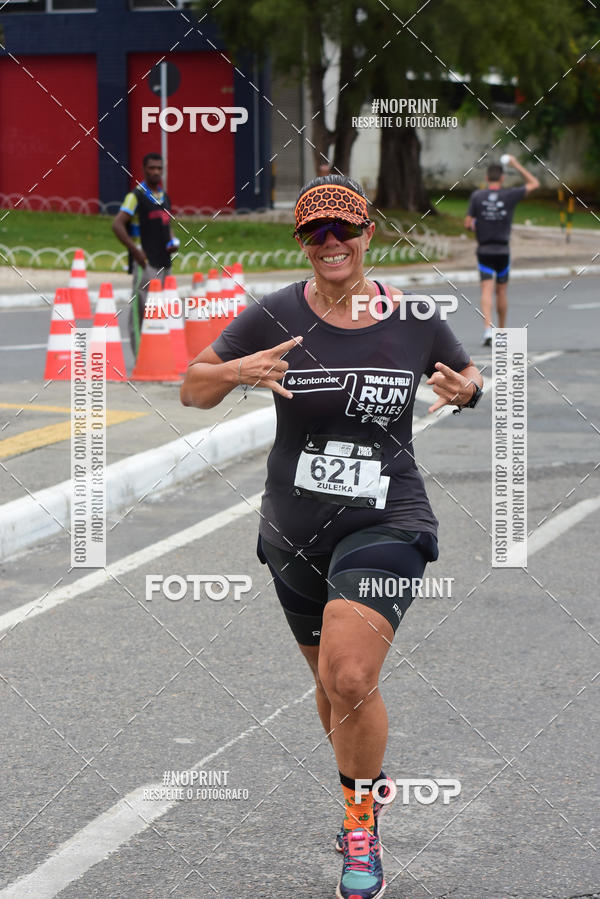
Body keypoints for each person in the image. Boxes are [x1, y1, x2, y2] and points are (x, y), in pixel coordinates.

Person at [181, 174, 483, 898]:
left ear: (368, 234)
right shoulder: (275, 313)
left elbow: (467, 374)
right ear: (303, 244)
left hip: (389, 520)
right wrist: (235, 372)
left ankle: (359, 825)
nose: (331, 243)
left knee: (351, 672)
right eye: (315, 232)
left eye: (343, 229)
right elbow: (192, 386)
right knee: (329, 685)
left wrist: (470, 392)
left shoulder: (412, 318)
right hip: (293, 529)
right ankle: (363, 785)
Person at [465, 155, 540, 346]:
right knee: (502, 291)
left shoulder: (477, 196)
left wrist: (476, 226)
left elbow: (468, 223)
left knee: (486, 290)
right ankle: (503, 331)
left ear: (487, 178)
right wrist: (515, 163)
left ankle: (488, 330)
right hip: (502, 251)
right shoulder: (510, 195)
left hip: (484, 250)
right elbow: (534, 183)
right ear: (502, 178)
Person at [112, 153, 179, 353]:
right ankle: (140, 357)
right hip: (145, 263)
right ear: (144, 169)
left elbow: (166, 224)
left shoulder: (164, 196)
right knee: (141, 311)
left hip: (165, 262)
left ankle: (157, 356)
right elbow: (117, 225)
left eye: (159, 168)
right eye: (152, 168)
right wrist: (135, 252)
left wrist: (172, 241)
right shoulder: (136, 196)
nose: (156, 172)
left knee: (159, 312)